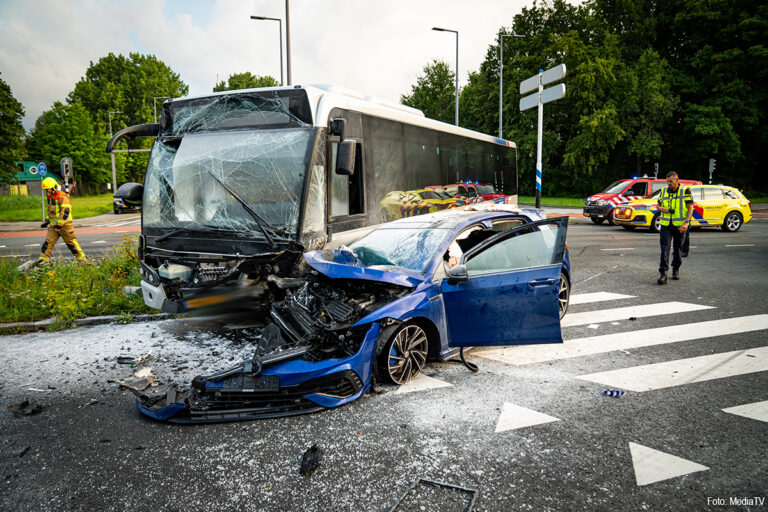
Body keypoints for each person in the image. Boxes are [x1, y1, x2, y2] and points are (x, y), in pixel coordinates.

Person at [36, 177, 87, 264]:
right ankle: (43, 261)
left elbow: (65, 212)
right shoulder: (52, 197)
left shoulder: (62, 197)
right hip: (54, 226)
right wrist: (47, 221)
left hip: (65, 226)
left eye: (48, 188)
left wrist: (59, 225)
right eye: (46, 189)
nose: (47, 191)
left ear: (54, 187)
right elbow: (52, 211)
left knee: (71, 244)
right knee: (48, 243)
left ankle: (83, 261)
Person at [656, 171, 692, 284]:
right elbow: (658, 204)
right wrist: (660, 208)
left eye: (671, 181)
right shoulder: (663, 191)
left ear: (677, 180)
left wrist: (686, 222)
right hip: (666, 224)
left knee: (677, 249)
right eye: (667, 181)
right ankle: (663, 273)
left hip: (679, 225)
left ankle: (675, 269)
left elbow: (690, 207)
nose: (669, 184)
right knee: (664, 248)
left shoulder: (685, 191)